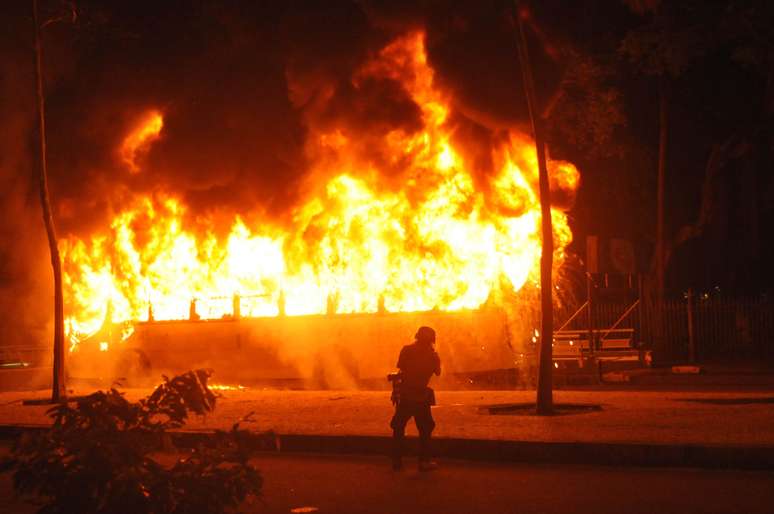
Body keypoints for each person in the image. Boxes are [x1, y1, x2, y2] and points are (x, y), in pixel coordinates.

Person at [390, 326, 441, 471]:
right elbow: (437, 372)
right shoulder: (432, 356)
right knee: (426, 427)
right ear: (432, 340)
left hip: (406, 394)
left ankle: (397, 461)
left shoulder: (406, 350)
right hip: (421, 396)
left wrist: (396, 389)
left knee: (398, 426)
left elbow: (402, 370)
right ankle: (424, 461)